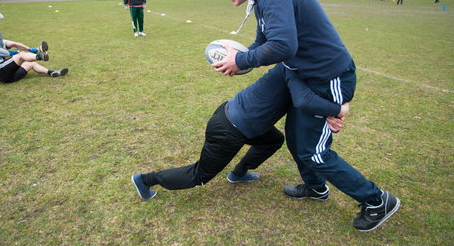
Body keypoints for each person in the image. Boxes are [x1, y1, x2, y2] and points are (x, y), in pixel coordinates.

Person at [208, 0, 400, 232]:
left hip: (328, 76)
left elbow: (284, 45)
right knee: (298, 142)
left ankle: (377, 200)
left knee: (314, 151)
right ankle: (315, 188)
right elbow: (264, 41)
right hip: (307, 76)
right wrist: (241, 59)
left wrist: (243, 60)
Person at [132, 63, 347, 200]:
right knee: (199, 176)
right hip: (228, 129)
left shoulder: (291, 65)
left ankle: (238, 173)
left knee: (273, 140)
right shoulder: (295, 71)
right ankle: (145, 180)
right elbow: (304, 100)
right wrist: (339, 110)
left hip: (234, 115)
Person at [0, 32, 68, 83]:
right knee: (21, 56)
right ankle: (40, 56)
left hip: (7, 78)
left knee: (31, 63)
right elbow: (6, 53)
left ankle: (52, 73)